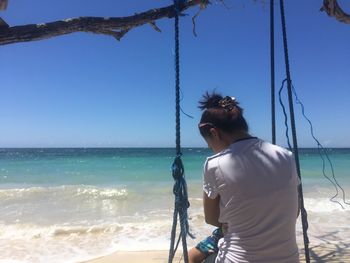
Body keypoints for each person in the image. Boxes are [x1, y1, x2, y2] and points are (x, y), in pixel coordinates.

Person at [188, 92, 300, 263]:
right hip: (289, 259)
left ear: (214, 133)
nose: (211, 148)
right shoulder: (286, 156)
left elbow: (212, 218)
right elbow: (295, 210)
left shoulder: (215, 163)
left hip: (237, 259)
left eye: (209, 144)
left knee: (192, 257)